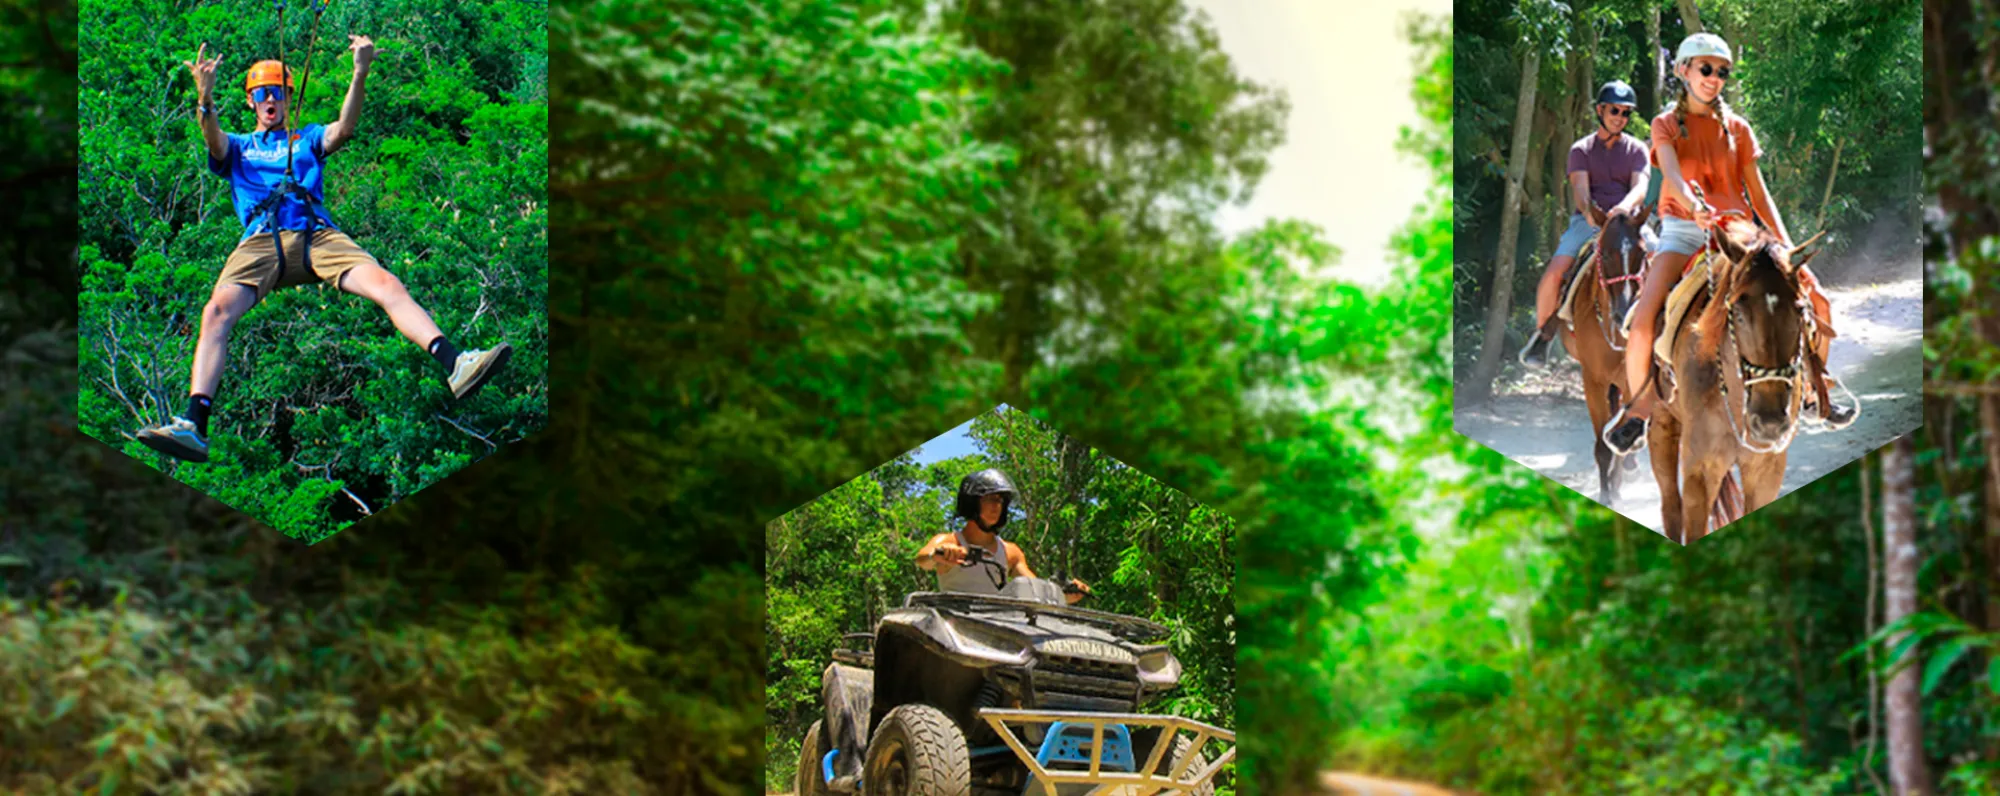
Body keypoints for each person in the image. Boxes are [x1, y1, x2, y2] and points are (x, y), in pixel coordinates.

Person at [137, 41, 512, 463]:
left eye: (278, 91)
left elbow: (345, 128)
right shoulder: (241, 146)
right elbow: (213, 140)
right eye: (261, 94)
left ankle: (455, 364)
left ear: (288, 96)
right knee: (216, 312)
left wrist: (360, 71)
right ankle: (194, 425)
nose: (270, 100)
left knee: (386, 283)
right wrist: (204, 98)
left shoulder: (307, 136)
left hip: (316, 234)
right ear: (250, 102)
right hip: (262, 240)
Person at [1603, 33, 1856, 455]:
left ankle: (1816, 390)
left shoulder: (1738, 128)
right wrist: (1692, 204)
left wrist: (1788, 250)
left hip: (1742, 236)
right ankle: (1639, 409)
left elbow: (1759, 195)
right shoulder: (1665, 124)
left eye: (1721, 71)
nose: (1714, 78)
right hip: (1685, 231)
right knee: (1643, 318)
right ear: (1683, 70)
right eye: (1706, 68)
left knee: (1819, 300)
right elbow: (1671, 172)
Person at [1520, 81, 1651, 367]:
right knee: (1555, 273)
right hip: (1590, 221)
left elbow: (1640, 186)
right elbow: (1580, 191)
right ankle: (1543, 336)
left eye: (1626, 113)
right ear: (1600, 110)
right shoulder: (1581, 150)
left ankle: (1671, 334)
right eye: (1615, 110)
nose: (1620, 117)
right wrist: (1592, 215)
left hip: (1628, 222)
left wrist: (1624, 209)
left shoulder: (1638, 149)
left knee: (1662, 258)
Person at [916, 468, 1090, 604]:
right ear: (972, 503)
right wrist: (940, 554)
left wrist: (1065, 594)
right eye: (990, 499)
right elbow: (922, 560)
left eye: (1000, 501)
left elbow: (1034, 588)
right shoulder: (949, 540)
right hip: (952, 625)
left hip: (996, 627)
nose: (997, 506)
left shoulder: (1010, 552)